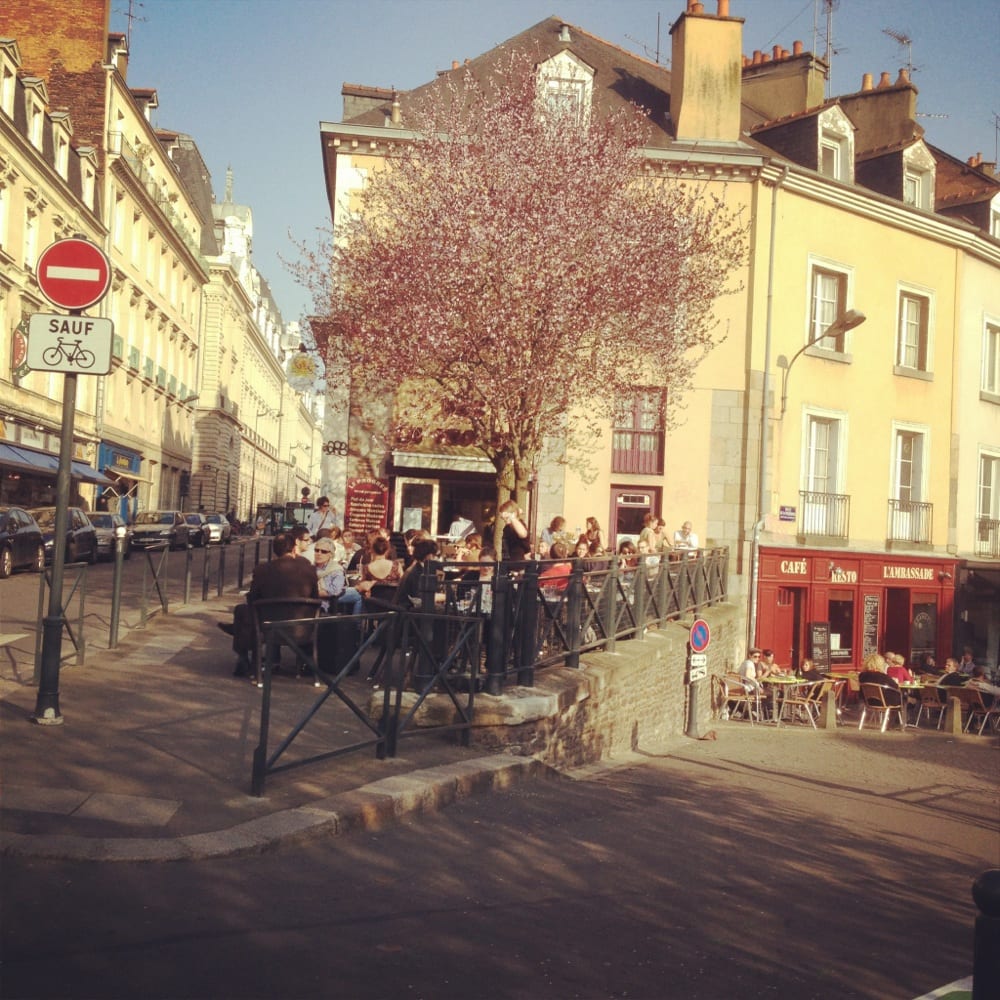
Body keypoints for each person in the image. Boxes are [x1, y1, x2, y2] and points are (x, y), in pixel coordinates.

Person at [217, 531, 319, 677]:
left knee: (243, 612)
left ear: (275, 550)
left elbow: (252, 598)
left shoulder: (262, 569)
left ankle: (244, 655)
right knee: (246, 613)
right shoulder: (309, 569)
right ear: (293, 548)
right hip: (302, 627)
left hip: (269, 627)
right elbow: (314, 596)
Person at [313, 539, 364, 615]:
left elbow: (335, 590)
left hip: (326, 602)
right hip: (314, 603)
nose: (319, 553)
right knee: (358, 595)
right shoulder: (309, 567)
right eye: (317, 550)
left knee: (359, 595)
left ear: (331, 554)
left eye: (323, 551)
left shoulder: (336, 569)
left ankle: (355, 625)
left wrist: (313, 593)